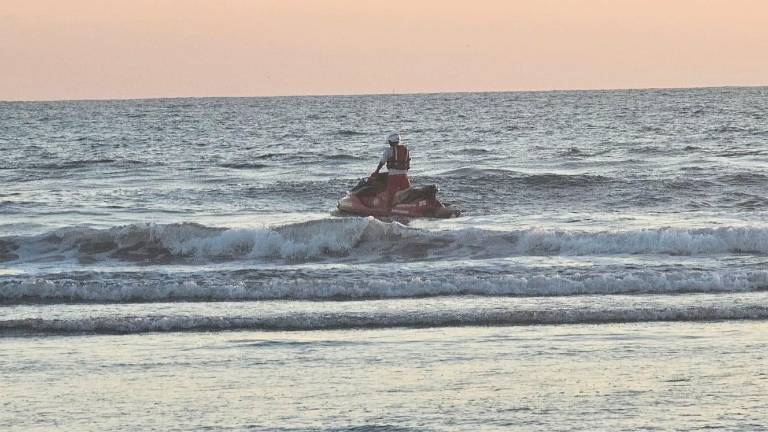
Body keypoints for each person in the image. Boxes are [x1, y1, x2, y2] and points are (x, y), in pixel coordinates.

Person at [371, 132, 411, 207]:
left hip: (393, 177)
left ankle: (388, 210)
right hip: (404, 176)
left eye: (389, 142)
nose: (389, 143)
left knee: (390, 194)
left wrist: (377, 171)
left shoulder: (389, 151)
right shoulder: (406, 150)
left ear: (391, 142)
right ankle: (407, 207)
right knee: (407, 193)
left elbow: (382, 162)